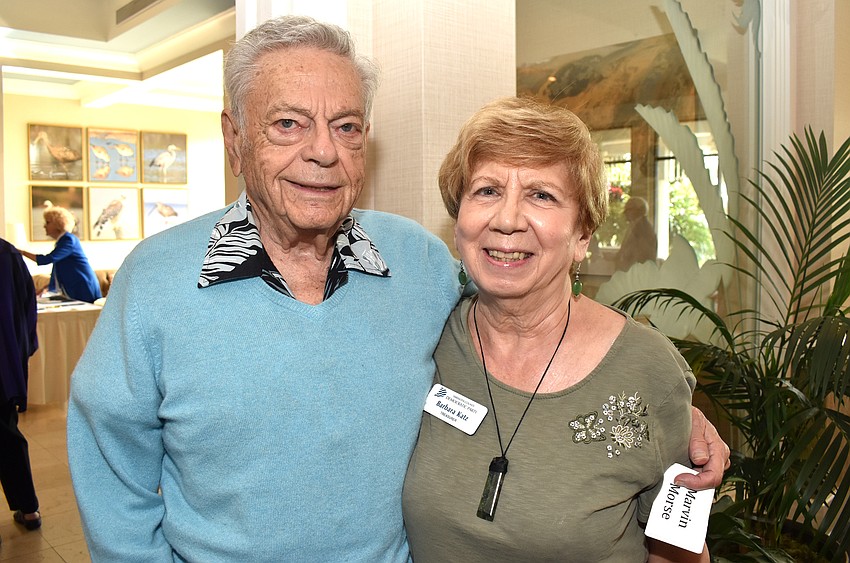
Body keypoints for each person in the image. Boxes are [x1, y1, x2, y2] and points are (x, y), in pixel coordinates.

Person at [67, 15, 728, 562]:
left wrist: (665, 408)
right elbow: (113, 480)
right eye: (288, 124)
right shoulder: (156, 281)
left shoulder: (416, 262)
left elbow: (530, 296)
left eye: (347, 126)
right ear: (234, 138)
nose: (323, 151)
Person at [402, 97, 708, 561]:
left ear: (583, 234)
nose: (506, 220)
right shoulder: (422, 333)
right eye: (486, 191)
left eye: (541, 195)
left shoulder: (648, 373)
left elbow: (679, 551)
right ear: (459, 218)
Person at [0, 237, 42, 544]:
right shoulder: (6, 253)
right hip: (2, 367)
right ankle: (29, 510)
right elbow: (28, 309)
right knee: (8, 438)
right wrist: (19, 355)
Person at [18, 206, 102, 303]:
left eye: (48, 222)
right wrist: (47, 287)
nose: (44, 226)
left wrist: (23, 252)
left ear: (59, 223)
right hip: (74, 288)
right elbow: (57, 269)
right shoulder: (62, 241)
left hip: (82, 287)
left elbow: (47, 259)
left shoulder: (68, 240)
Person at [615, 195, 658, 271]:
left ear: (637, 210)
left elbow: (640, 254)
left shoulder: (643, 228)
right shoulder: (635, 225)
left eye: (628, 210)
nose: (625, 214)